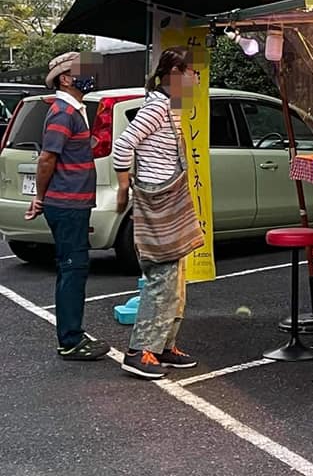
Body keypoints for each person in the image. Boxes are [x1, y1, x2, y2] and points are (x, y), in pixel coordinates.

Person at [113, 47, 203, 380]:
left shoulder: (171, 105)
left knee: (176, 278)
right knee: (162, 277)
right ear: (175, 75)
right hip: (157, 199)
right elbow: (123, 145)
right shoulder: (156, 107)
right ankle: (139, 351)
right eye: (192, 73)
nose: (195, 78)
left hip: (168, 195)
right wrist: (124, 188)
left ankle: (164, 345)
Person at [27, 52, 109, 360]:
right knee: (73, 268)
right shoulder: (63, 112)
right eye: (81, 71)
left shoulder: (75, 110)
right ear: (65, 78)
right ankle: (71, 340)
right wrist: (40, 196)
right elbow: (47, 158)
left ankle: (72, 333)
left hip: (71, 202)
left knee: (72, 268)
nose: (89, 75)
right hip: (68, 204)